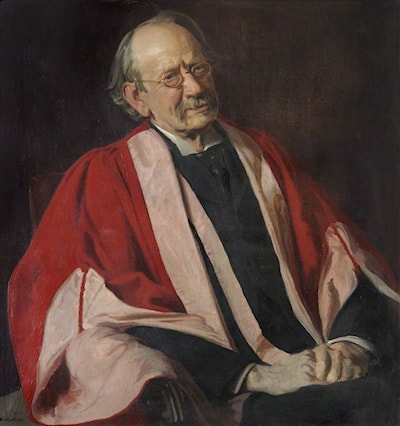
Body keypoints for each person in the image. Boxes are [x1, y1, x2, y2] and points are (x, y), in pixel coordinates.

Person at [8, 10, 400, 426]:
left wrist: (352, 344)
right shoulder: (106, 179)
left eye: (198, 68)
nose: (194, 88)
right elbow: (115, 315)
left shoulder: (263, 154)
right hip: (224, 391)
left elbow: (341, 261)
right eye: (171, 78)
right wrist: (257, 376)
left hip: (322, 360)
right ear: (137, 97)